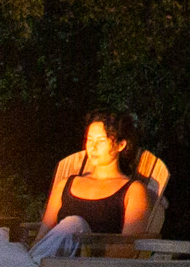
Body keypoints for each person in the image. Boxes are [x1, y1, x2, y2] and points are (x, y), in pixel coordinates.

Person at [30, 110, 169, 258]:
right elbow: (41, 238)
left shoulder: (133, 191)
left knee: (75, 225)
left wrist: (89, 254)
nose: (93, 147)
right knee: (1, 234)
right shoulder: (64, 185)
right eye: (90, 140)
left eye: (101, 141)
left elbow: (128, 248)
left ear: (121, 144)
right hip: (45, 260)